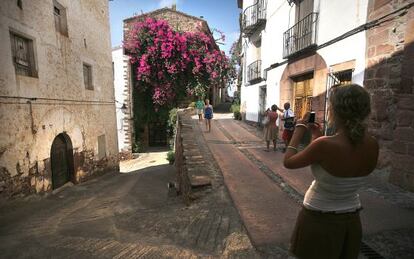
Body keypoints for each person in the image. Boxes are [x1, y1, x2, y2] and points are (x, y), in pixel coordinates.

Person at [283, 84, 379, 259]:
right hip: (351, 220)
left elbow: (288, 162)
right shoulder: (373, 144)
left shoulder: (325, 145)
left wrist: (298, 130)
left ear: (335, 111)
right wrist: (316, 136)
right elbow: (336, 162)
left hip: (319, 219)